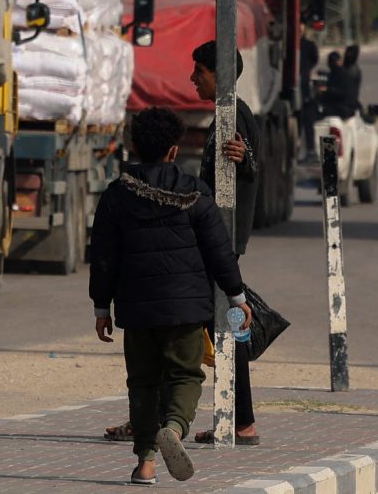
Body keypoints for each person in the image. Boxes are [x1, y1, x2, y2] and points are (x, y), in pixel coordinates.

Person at [90, 107, 246, 485]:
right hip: (186, 307)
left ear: (133, 147)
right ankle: (174, 429)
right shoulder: (194, 192)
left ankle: (145, 463)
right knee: (184, 374)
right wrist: (237, 297)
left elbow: (103, 256)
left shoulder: (116, 196)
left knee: (142, 382)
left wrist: (101, 305)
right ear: (174, 151)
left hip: (136, 308)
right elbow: (218, 251)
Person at [188, 40, 261, 446]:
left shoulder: (235, 114)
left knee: (228, 328)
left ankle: (241, 420)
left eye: (200, 70)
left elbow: (251, 163)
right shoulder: (222, 115)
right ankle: (237, 419)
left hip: (222, 243)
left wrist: (242, 156)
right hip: (218, 241)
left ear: (220, 74)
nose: (193, 78)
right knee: (226, 327)